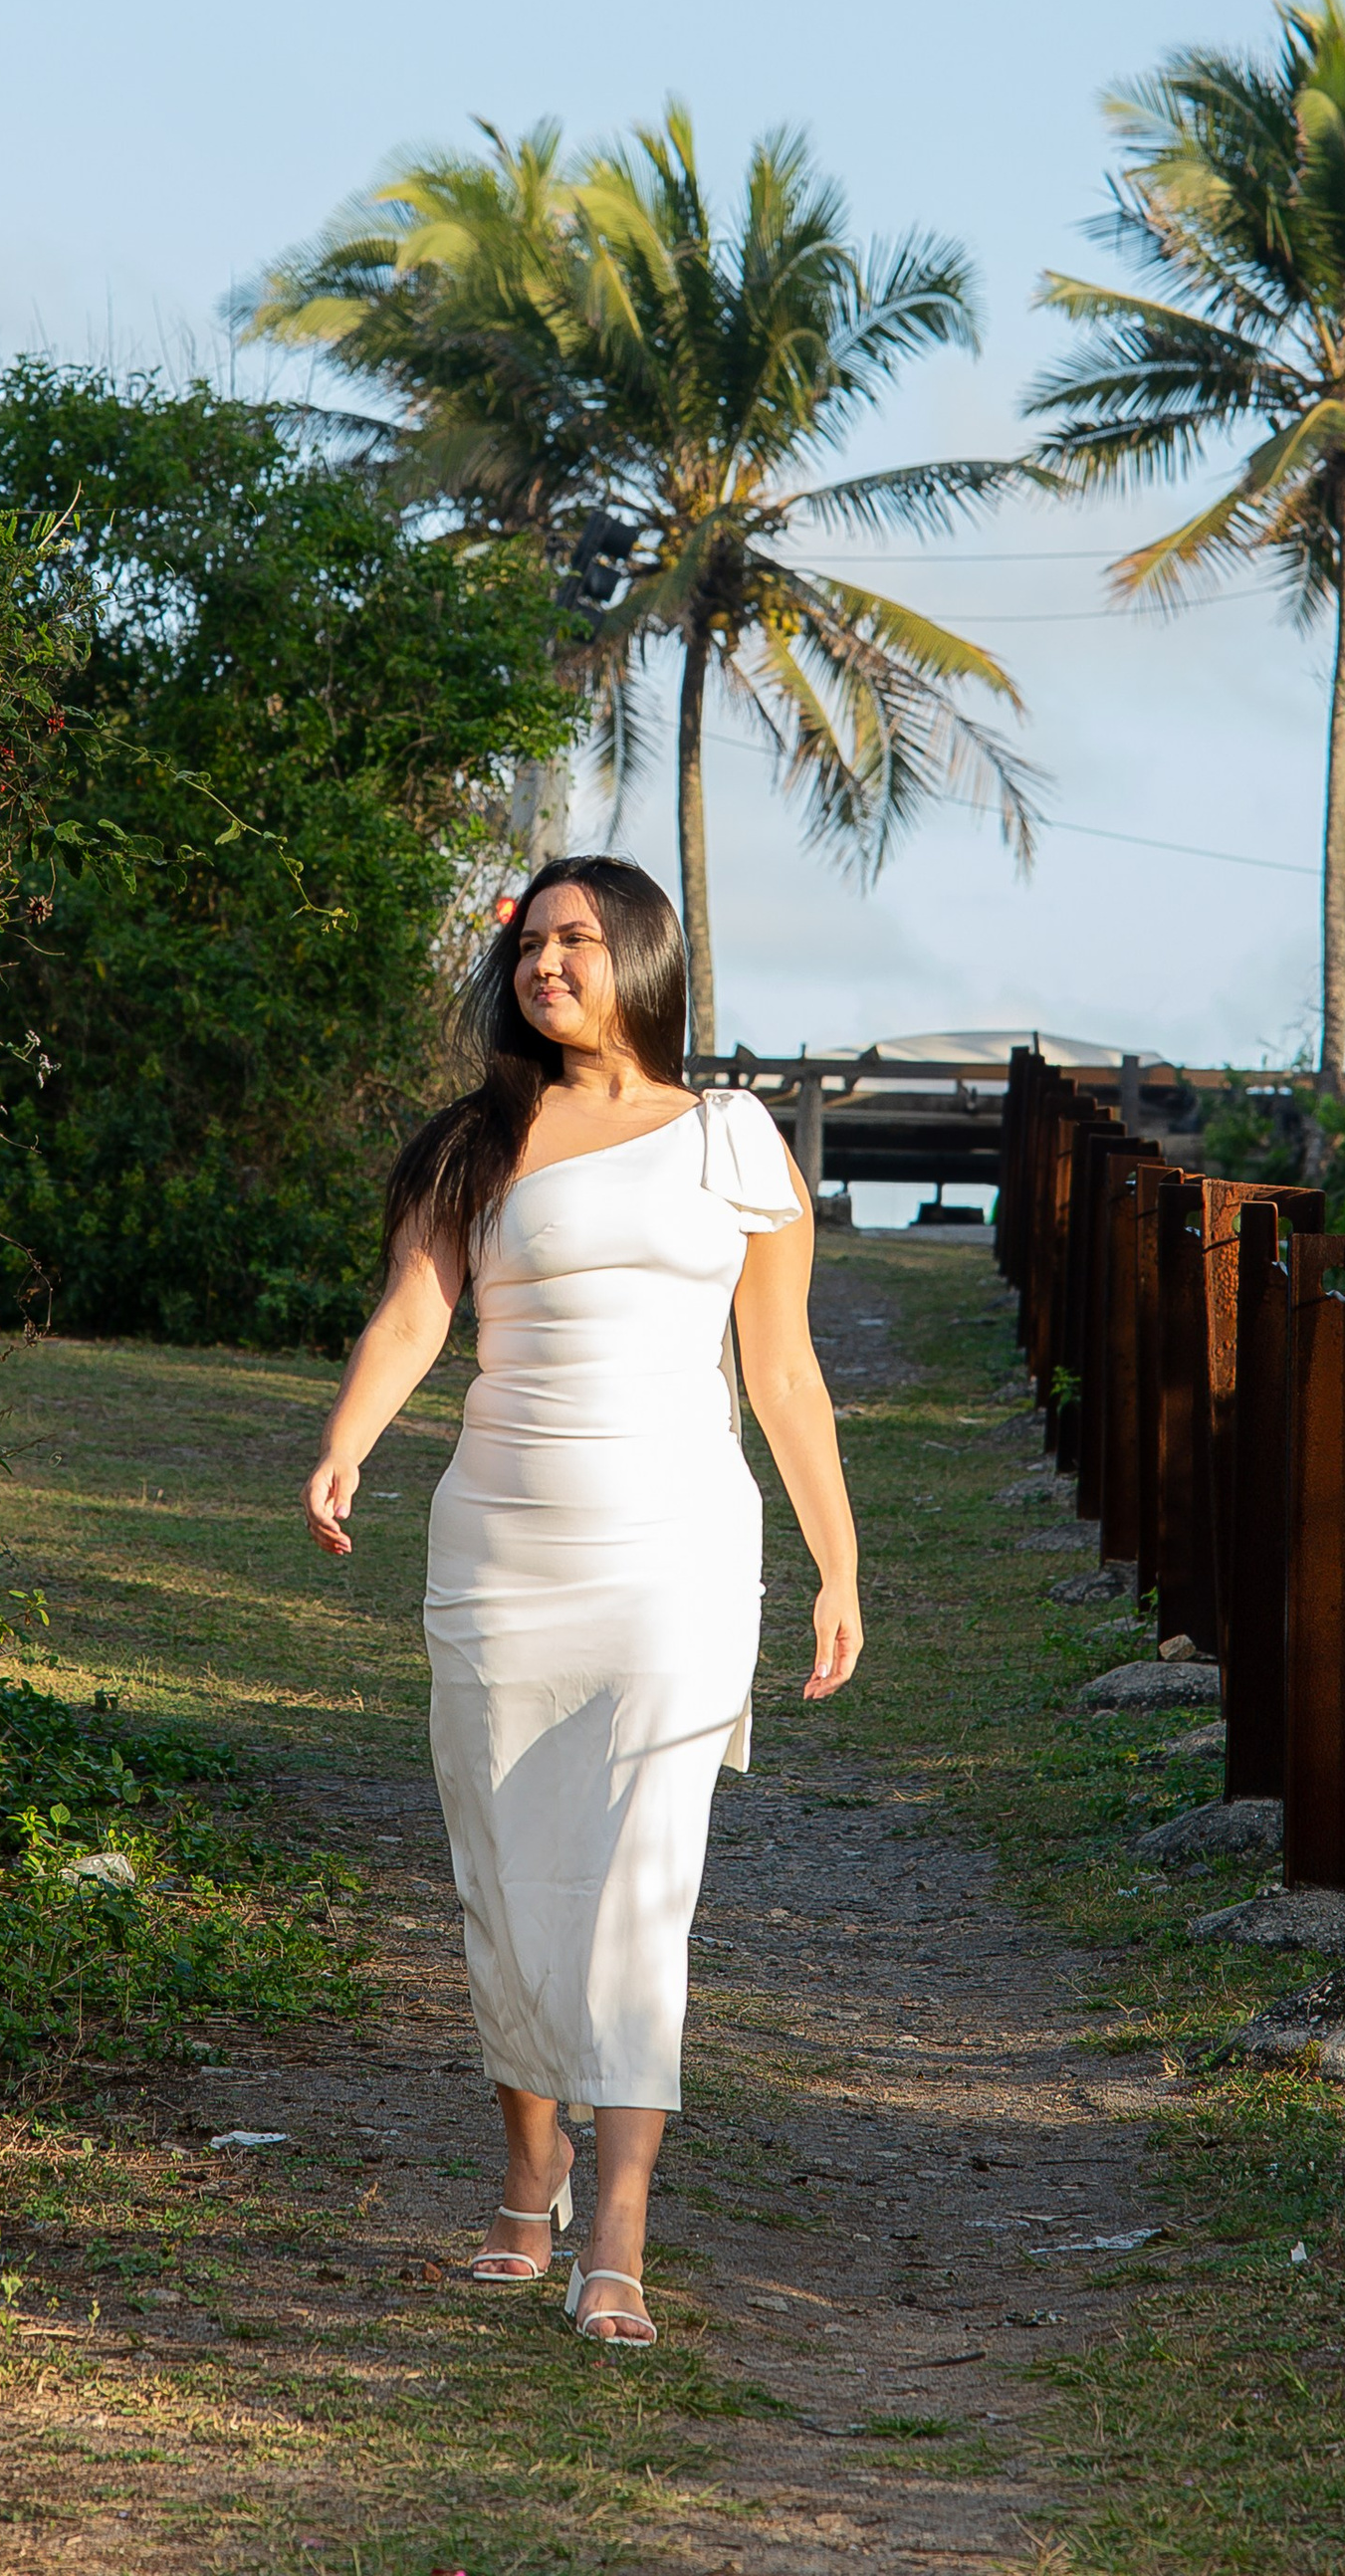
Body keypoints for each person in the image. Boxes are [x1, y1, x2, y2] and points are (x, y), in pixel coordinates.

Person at [303, 854, 863, 2346]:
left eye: (580, 939)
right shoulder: (474, 1141)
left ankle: (615, 2227)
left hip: (676, 1552)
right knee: (506, 1877)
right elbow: (418, 1307)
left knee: (638, 1886)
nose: (548, 963)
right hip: (502, 1550)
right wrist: (346, 1445)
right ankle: (522, 2175)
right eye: (533, 942)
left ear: (646, 960)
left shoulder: (732, 1141)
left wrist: (839, 1560)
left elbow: (785, 1373)